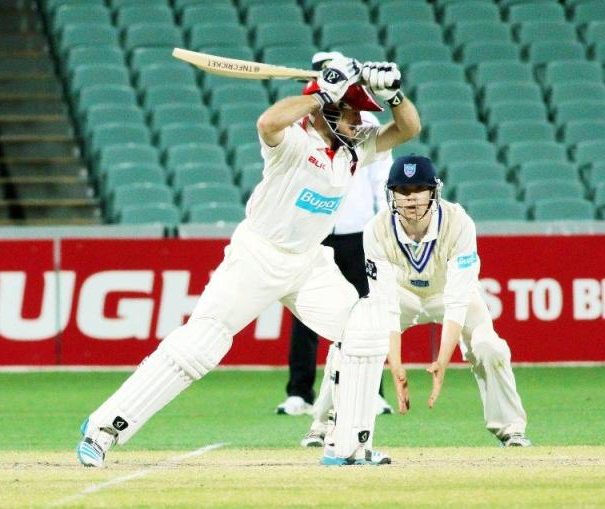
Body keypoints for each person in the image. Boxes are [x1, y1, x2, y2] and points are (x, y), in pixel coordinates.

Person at [77, 56, 421, 468]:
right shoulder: (293, 141)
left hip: (308, 263)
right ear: (329, 112)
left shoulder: (353, 152)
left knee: (364, 328)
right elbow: (267, 123)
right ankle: (102, 430)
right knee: (200, 346)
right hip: (258, 256)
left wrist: (393, 93)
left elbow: (408, 128)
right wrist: (320, 94)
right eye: (353, 115)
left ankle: (347, 445)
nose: (361, 124)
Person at [300, 155, 531, 448]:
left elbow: (458, 300)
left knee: (490, 347)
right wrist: (395, 365)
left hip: (449, 294)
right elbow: (385, 302)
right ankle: (323, 425)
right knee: (350, 338)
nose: (411, 199)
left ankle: (511, 429)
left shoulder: (458, 222)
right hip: (402, 295)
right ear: (392, 193)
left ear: (433, 191)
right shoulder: (376, 229)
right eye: (403, 192)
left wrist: (442, 362)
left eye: (419, 190)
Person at [276, 111, 395, 420]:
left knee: (366, 313)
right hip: (314, 231)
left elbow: (381, 176)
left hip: (359, 232)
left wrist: (382, 227)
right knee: (304, 314)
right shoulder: (303, 121)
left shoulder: (364, 120)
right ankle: (299, 394)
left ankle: (372, 393)